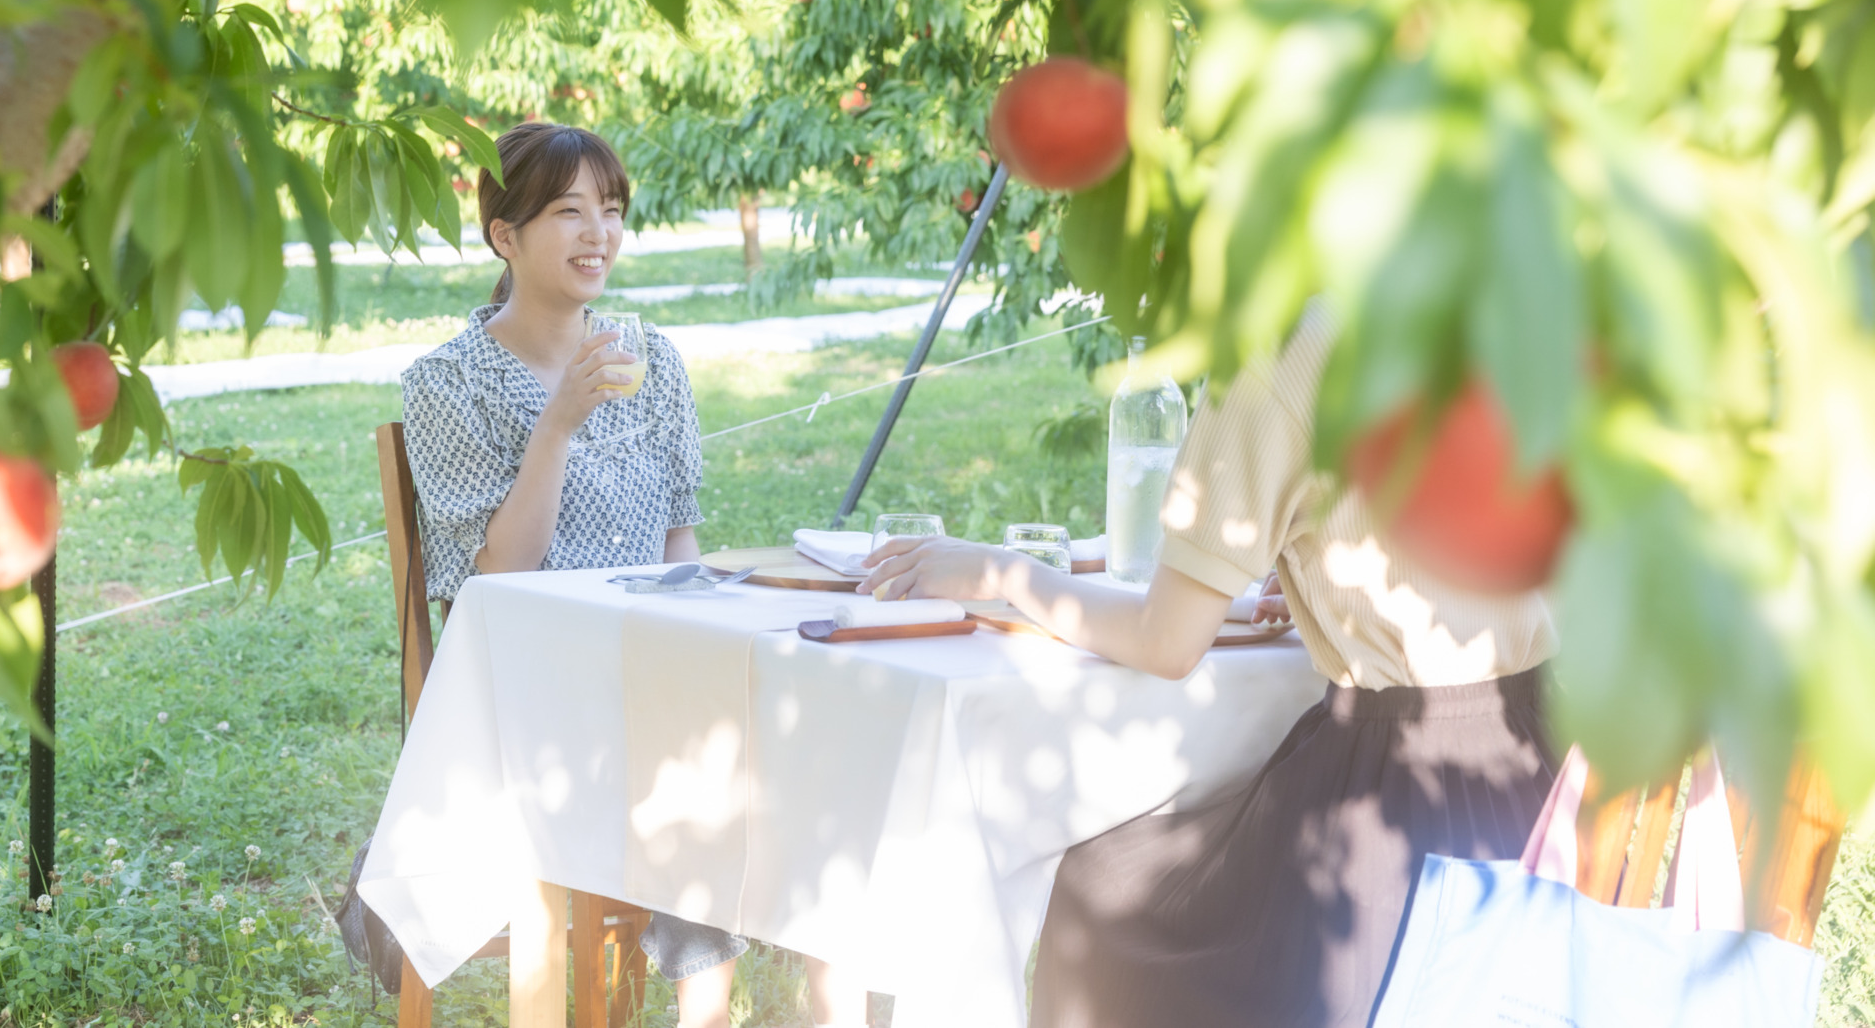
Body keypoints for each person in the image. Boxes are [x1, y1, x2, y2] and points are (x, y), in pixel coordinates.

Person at [858, 299, 1559, 1028]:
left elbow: (1167, 641)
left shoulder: (1286, 343)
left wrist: (1000, 574)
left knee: (1103, 901)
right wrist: (1323, 576)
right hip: (1542, 784)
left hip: (1393, 825)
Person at [398, 122, 863, 1028]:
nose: (597, 234)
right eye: (568, 211)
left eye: (609, 211)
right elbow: (497, 574)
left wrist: (707, 626)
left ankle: (826, 1001)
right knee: (704, 745)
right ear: (505, 235)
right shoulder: (447, 383)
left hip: (659, 666)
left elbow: (679, 543)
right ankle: (708, 1008)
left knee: (816, 729)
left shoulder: (651, 360)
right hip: (529, 691)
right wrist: (557, 423)